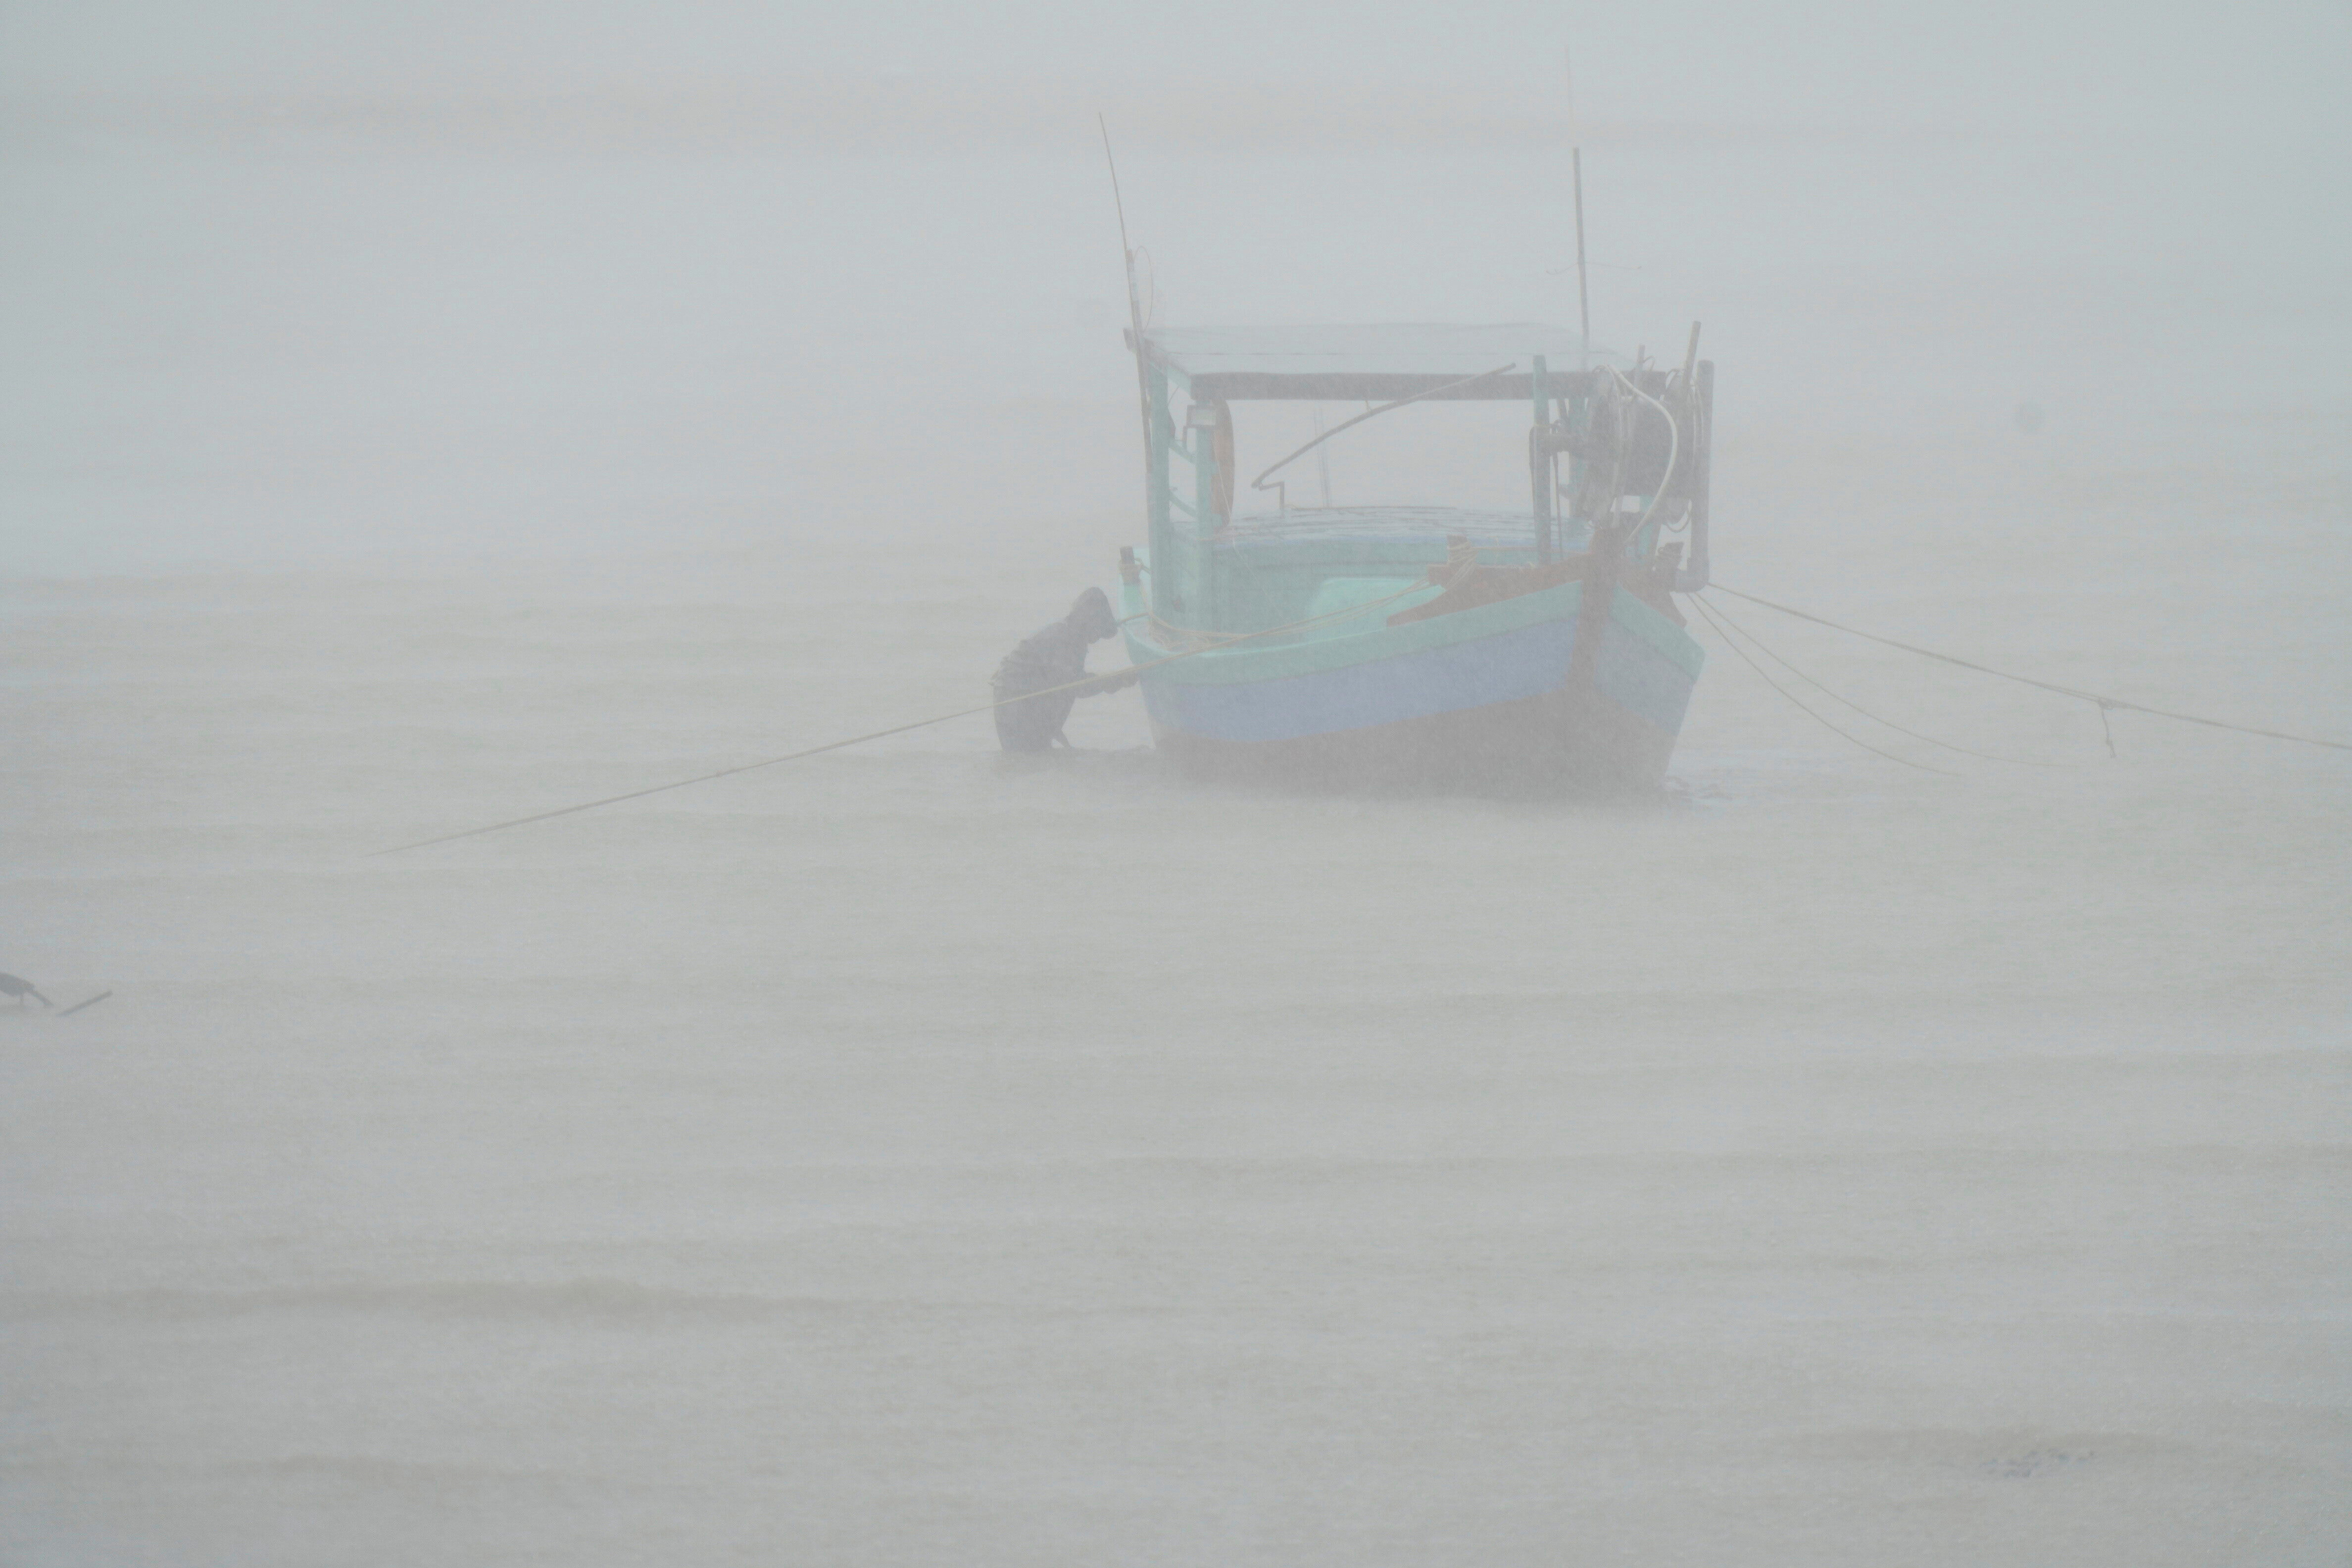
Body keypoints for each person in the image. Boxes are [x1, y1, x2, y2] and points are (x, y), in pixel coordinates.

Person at [992, 587, 1137, 752]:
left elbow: (1061, 686)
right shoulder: (1063, 639)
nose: (1097, 638)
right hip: (1014, 704)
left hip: (1025, 700)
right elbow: (1075, 686)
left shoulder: (1072, 635)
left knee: (1037, 759)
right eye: (1098, 629)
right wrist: (1117, 679)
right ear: (1088, 622)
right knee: (1028, 759)